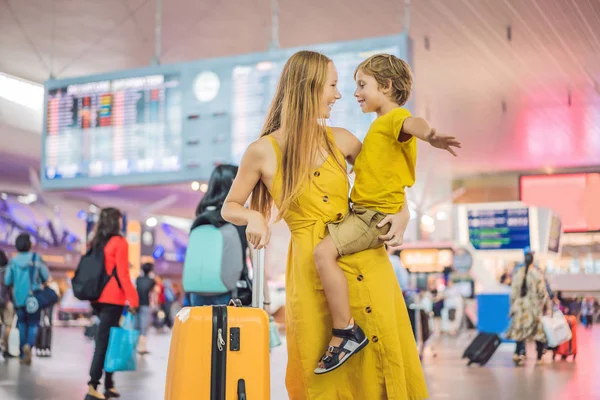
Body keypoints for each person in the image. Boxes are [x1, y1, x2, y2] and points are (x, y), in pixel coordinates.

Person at [222, 50, 428, 399]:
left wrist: (404, 213)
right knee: (321, 372)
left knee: (382, 358)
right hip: (311, 268)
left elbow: (384, 180)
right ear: (309, 87)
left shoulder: (343, 139)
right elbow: (230, 207)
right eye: (332, 85)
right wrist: (254, 215)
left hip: (362, 255)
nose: (338, 94)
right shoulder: (263, 151)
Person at [311, 53, 460, 373]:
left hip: (370, 216)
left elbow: (412, 123)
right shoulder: (378, 128)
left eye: (362, 85)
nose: (355, 93)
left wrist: (430, 135)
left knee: (323, 254)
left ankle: (345, 331)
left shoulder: (394, 119)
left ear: (387, 86)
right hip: (365, 212)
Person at [85, 208, 139, 400]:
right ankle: (93, 386)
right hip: (113, 299)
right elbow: (123, 275)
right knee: (103, 343)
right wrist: (133, 299)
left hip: (97, 298)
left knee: (109, 340)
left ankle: (109, 384)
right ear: (116, 222)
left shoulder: (95, 242)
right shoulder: (119, 243)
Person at [187, 164, 256, 307]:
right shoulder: (238, 216)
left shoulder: (200, 217)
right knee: (228, 328)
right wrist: (264, 297)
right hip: (231, 290)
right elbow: (255, 258)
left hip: (197, 291)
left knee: (200, 328)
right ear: (232, 182)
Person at [3, 233, 51, 365]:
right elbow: (46, 276)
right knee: (33, 324)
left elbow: (7, 281)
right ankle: (29, 346)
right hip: (34, 299)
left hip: (18, 299)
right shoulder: (36, 258)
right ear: (29, 245)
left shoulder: (13, 262)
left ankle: (22, 352)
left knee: (22, 325)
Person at [506, 252, 551, 366]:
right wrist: (548, 306)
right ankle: (539, 357)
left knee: (520, 332)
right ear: (532, 261)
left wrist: (512, 308)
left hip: (520, 308)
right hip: (533, 309)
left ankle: (517, 353)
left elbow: (513, 293)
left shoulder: (517, 274)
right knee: (538, 333)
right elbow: (542, 293)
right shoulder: (536, 274)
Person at [135, 262, 156, 354]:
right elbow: (152, 294)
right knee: (144, 327)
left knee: (136, 325)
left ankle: (135, 346)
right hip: (146, 304)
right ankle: (142, 347)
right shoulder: (152, 281)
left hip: (136, 304)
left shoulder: (138, 279)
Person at [0, 249, 15, 359]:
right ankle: (5, 348)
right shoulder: (9, 270)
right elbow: (11, 284)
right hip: (7, 300)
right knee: (8, 325)